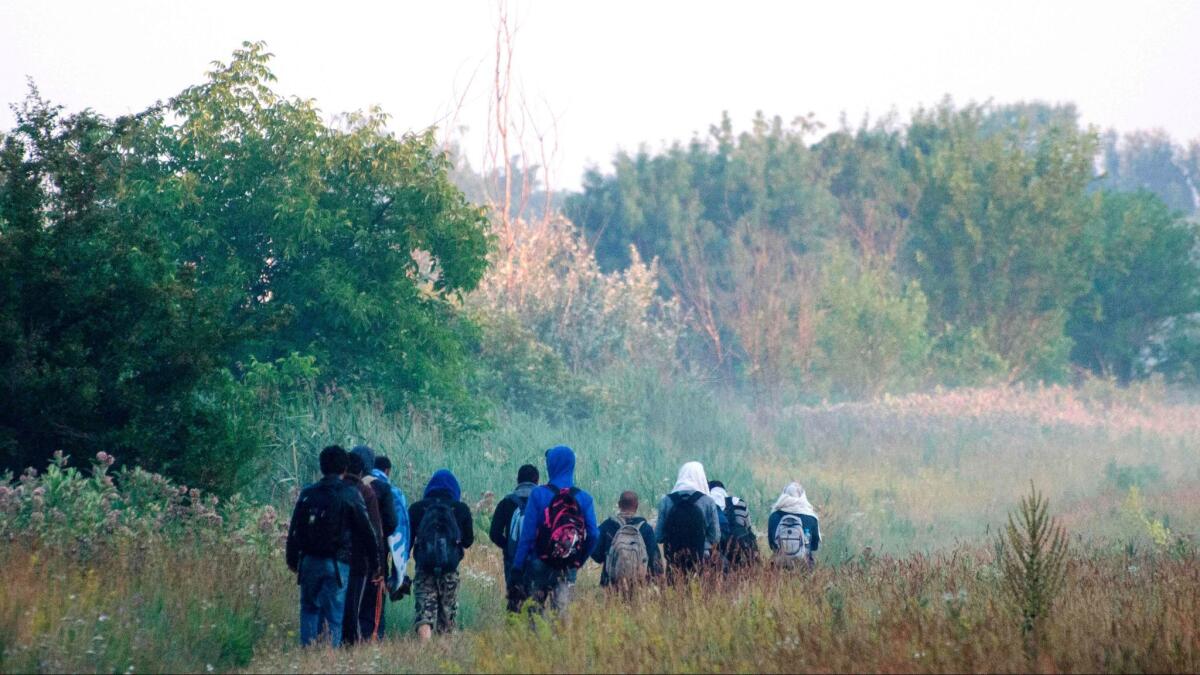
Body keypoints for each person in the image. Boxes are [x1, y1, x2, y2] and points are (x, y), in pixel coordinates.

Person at [285, 445, 380, 647]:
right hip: (338, 564)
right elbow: (367, 531)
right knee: (333, 616)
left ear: (321, 467)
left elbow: (294, 530)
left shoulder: (308, 493)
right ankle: (328, 660)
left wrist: (293, 560)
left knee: (309, 610)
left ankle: (308, 659)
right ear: (344, 468)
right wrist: (376, 564)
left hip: (309, 561)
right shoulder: (351, 494)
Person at [511, 445, 599, 615]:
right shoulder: (584, 497)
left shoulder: (538, 494)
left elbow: (527, 536)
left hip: (539, 561)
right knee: (562, 614)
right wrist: (579, 559)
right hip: (568, 562)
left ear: (550, 465)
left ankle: (537, 641)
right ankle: (560, 640)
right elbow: (594, 534)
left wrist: (517, 566)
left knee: (535, 615)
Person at [408, 469, 474, 640]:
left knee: (424, 611)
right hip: (449, 569)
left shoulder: (416, 508)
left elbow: (407, 542)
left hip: (424, 568)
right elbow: (468, 541)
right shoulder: (460, 508)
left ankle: (425, 653)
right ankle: (445, 656)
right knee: (448, 612)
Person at [341, 452, 385, 645]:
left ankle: (320, 647)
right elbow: (375, 530)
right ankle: (351, 647)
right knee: (353, 608)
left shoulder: (331, 489)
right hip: (359, 561)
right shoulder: (366, 492)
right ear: (362, 470)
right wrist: (378, 564)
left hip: (332, 557)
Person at [655, 461, 721, 576]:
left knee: (675, 591)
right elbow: (715, 537)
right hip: (701, 559)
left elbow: (659, 536)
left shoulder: (666, 501)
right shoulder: (708, 502)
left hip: (673, 559)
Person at [370, 454, 412, 635]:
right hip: (380, 554)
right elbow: (399, 529)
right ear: (387, 470)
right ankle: (376, 635)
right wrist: (398, 573)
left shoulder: (359, 485)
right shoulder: (392, 492)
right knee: (378, 597)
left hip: (352, 554)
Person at [488, 464, 539, 612]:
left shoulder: (506, 503)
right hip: (537, 558)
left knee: (514, 600)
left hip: (512, 559)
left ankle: (512, 632)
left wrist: (509, 546)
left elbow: (494, 533)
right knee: (535, 601)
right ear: (537, 481)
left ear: (517, 480)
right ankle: (533, 632)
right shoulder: (542, 501)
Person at [591, 490, 661, 589]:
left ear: (619, 504)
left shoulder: (608, 525)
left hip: (611, 584)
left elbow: (597, 555)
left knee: (612, 604)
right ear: (636, 506)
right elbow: (655, 559)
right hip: (640, 585)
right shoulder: (645, 528)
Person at [708, 479, 760, 569]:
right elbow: (748, 527)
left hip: (717, 552)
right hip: (740, 548)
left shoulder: (707, 503)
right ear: (724, 490)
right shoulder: (739, 502)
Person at [767, 482, 821, 569]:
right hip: (804, 566)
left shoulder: (774, 515)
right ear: (803, 496)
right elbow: (814, 546)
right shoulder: (811, 517)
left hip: (779, 565)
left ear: (784, 495)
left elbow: (772, 544)